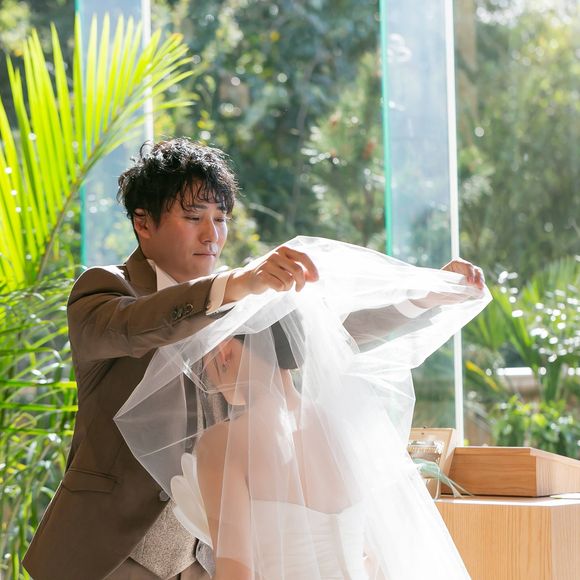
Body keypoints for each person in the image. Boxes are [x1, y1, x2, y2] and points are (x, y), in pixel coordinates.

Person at [23, 137, 484, 580]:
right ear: (143, 223)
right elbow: (140, 324)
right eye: (194, 217)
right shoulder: (105, 291)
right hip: (108, 556)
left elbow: (325, 332)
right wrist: (237, 286)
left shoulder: (239, 296)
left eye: (221, 218)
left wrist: (425, 297)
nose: (212, 235)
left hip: (207, 559)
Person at [115, 236, 491, 579]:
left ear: (224, 351)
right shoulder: (345, 427)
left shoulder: (225, 445)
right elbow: (375, 555)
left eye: (206, 360)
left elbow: (235, 572)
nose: (207, 374)